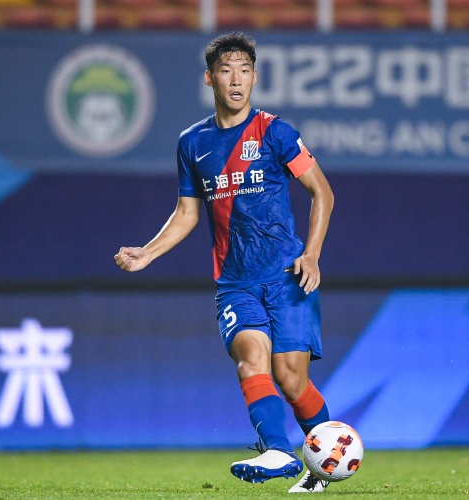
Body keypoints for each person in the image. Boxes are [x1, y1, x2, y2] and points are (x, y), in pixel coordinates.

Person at [114, 31, 334, 494]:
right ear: (209, 78)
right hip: (235, 283)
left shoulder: (275, 132)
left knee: (291, 380)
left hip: (288, 277)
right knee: (251, 359)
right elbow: (186, 213)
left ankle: (323, 467)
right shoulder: (192, 142)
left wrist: (312, 253)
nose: (236, 79)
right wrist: (147, 252)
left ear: (254, 78)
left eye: (245, 71)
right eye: (227, 71)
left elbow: (322, 192)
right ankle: (279, 450)